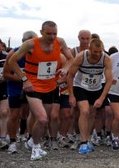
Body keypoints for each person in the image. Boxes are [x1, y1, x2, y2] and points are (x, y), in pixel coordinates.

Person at [8, 21, 74, 160]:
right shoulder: (31, 44)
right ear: (41, 32)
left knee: (46, 118)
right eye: (48, 34)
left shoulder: (60, 42)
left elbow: (71, 59)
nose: (52, 37)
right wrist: (24, 79)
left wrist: (65, 69)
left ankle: (32, 141)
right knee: (43, 119)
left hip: (50, 86)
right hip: (33, 86)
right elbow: (12, 62)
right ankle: (36, 148)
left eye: (54, 33)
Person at [67, 38, 113, 154]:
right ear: (89, 49)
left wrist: (102, 98)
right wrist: (71, 95)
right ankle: (83, 142)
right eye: (95, 52)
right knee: (85, 111)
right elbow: (70, 76)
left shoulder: (106, 58)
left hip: (96, 88)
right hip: (80, 86)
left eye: (100, 52)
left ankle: (87, 139)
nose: (97, 54)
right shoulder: (81, 57)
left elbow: (109, 80)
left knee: (92, 113)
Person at [3, 31, 37, 154]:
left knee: (33, 113)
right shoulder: (13, 54)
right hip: (15, 88)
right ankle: (12, 141)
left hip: (33, 87)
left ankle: (31, 138)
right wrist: (24, 79)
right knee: (14, 114)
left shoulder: (39, 54)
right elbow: (6, 74)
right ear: (24, 43)